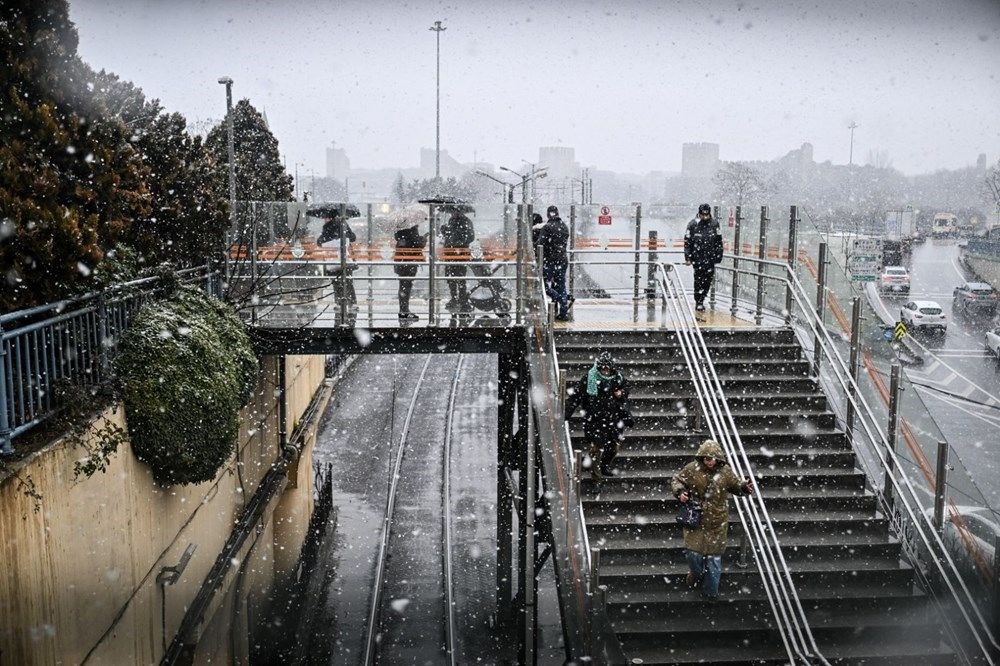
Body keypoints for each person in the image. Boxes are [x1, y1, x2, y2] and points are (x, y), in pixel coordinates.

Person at [671, 440, 754, 601]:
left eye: (712, 458)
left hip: (717, 521)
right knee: (692, 554)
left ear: (718, 458)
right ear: (701, 457)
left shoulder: (725, 472)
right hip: (695, 518)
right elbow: (677, 480)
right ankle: (696, 573)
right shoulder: (691, 469)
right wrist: (680, 492)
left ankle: (711, 593)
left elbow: (736, 485)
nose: (710, 461)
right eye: (706, 458)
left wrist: (744, 487)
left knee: (714, 559)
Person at [564, 351, 631, 481]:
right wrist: (565, 414)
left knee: (614, 447)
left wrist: (621, 393)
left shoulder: (618, 378)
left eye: (608, 368)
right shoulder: (590, 378)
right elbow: (576, 397)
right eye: (603, 368)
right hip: (595, 420)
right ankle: (597, 478)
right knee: (597, 449)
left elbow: (627, 389)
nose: (606, 371)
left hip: (614, 419)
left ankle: (604, 465)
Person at [532, 205, 571, 320]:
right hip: (563, 261)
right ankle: (563, 313)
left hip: (550, 261)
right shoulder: (564, 227)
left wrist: (531, 246)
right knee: (561, 285)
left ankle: (561, 300)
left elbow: (540, 244)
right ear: (557, 213)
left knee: (542, 285)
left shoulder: (547, 227)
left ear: (548, 215)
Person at [683, 203, 723, 312]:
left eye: (707, 215)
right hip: (697, 258)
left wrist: (719, 256)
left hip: (710, 259)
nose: (705, 217)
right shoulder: (693, 225)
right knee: (698, 280)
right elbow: (687, 242)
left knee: (708, 281)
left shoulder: (714, 224)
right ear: (699, 214)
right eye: (703, 215)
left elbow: (719, 241)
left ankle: (703, 297)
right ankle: (699, 301)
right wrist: (688, 257)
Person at [316, 207, 358, 306]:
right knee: (348, 282)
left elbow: (320, 241)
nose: (324, 219)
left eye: (325, 218)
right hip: (346, 260)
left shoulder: (328, 227)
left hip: (334, 260)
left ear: (329, 218)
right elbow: (353, 237)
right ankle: (352, 302)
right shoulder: (343, 224)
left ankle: (339, 303)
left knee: (336, 283)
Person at [440, 206, 475, 312]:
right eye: (451, 212)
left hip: (460, 254)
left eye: (454, 211)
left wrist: (458, 241)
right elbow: (449, 237)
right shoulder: (451, 221)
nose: (452, 213)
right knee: (451, 278)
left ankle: (462, 300)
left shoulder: (466, 222)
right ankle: (455, 298)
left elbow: (470, 237)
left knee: (460, 278)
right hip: (450, 253)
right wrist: (445, 231)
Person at [394, 220, 428, 320]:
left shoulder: (399, 229)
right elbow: (417, 244)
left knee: (403, 285)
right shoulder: (412, 229)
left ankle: (403, 310)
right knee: (406, 286)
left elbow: (408, 242)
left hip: (401, 261)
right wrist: (424, 238)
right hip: (409, 261)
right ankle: (405, 311)